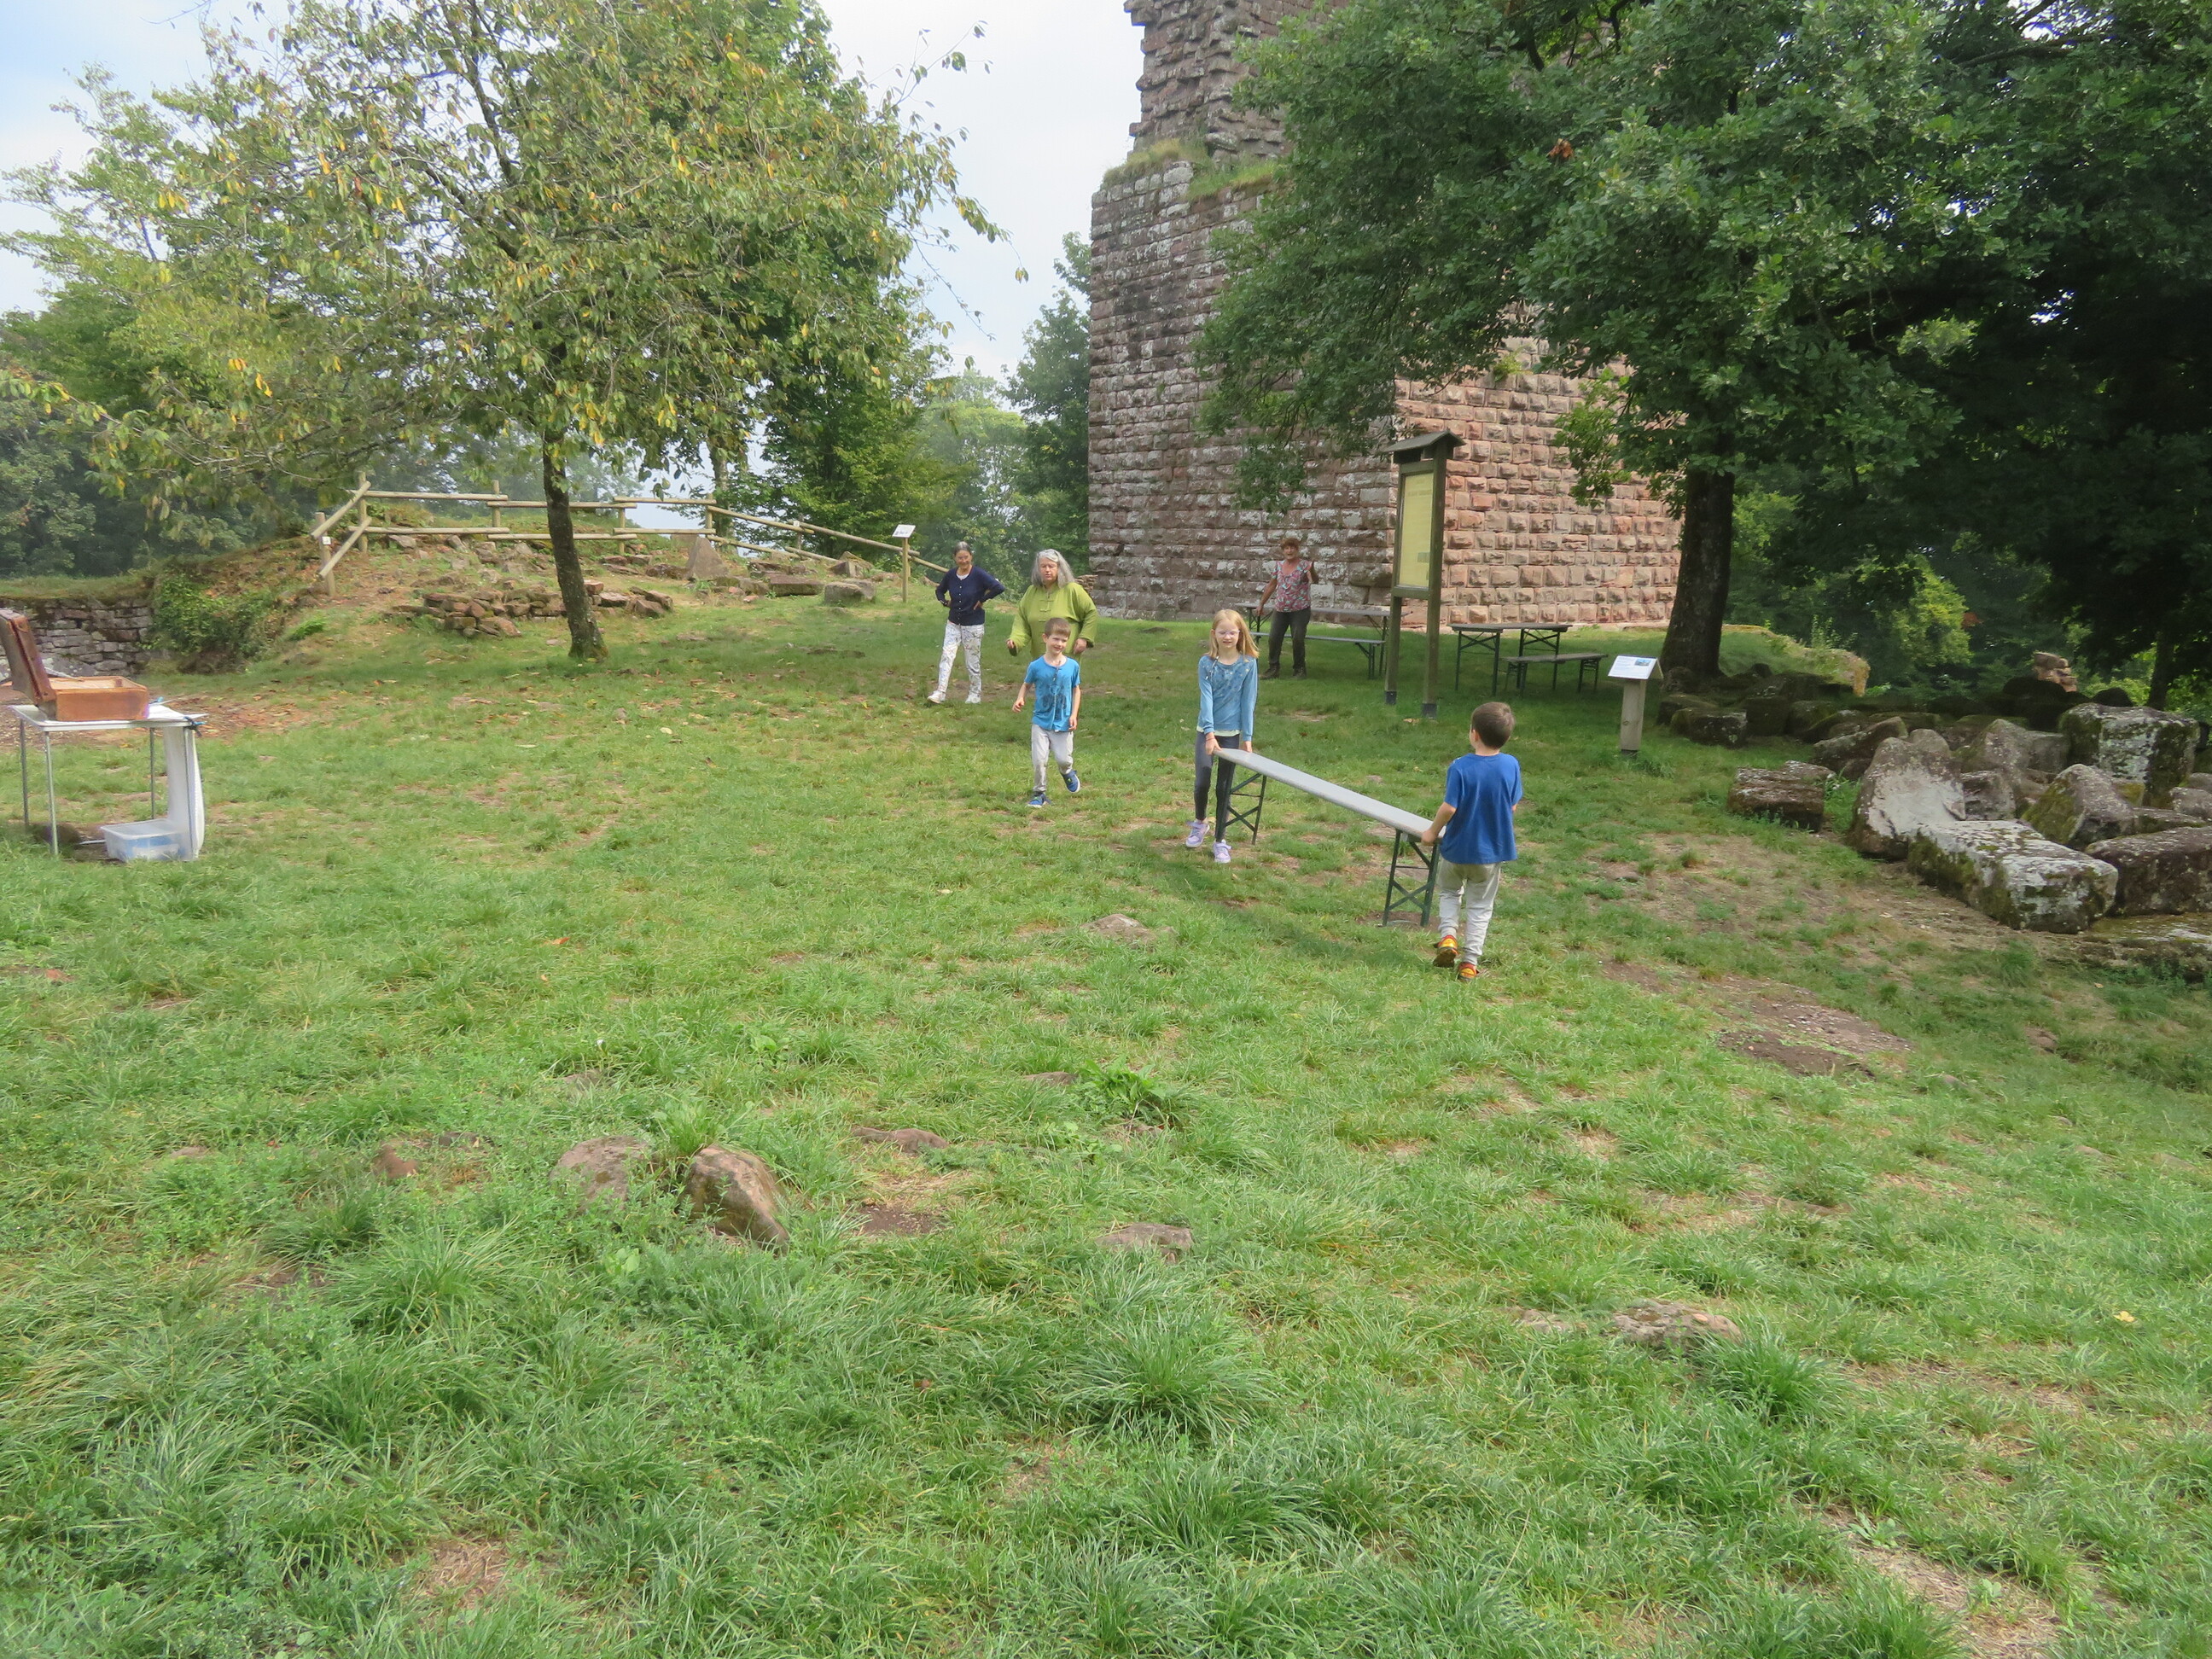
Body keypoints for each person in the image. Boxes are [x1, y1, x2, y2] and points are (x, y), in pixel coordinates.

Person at [1420, 701, 1523, 982]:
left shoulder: (1460, 767)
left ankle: (1448, 937)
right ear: (1507, 737)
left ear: (1474, 734)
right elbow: (1512, 805)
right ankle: (1469, 963)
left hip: (1456, 849)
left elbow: (1449, 808)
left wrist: (1431, 832)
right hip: (1490, 853)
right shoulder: (1511, 765)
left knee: (1449, 893)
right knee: (1480, 907)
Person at [1186, 607, 1260, 864]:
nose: (1227, 637)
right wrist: (1209, 734)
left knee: (1224, 788)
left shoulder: (1248, 664)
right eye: (1222, 632)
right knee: (1202, 782)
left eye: (1232, 632)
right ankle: (1200, 822)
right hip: (1207, 732)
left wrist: (1247, 738)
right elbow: (1206, 699)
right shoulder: (1206, 664)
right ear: (1214, 634)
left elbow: (1248, 702)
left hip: (1232, 735)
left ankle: (1220, 840)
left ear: (1240, 634)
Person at [1012, 616, 1082, 808]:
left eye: (1064, 640)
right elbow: (1026, 685)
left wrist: (1074, 714)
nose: (1059, 644)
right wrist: (1020, 698)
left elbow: (1076, 690)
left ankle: (1067, 772)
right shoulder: (1036, 666)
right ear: (1045, 638)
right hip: (1041, 721)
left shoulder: (1072, 666)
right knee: (1039, 760)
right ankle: (1039, 793)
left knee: (1063, 759)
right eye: (1055, 639)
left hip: (1063, 722)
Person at [928, 541, 1005, 705]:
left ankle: (975, 693)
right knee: (947, 656)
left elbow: (998, 587)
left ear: (971, 556)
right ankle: (940, 692)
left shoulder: (979, 574)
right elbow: (939, 590)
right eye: (960, 558)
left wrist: (983, 599)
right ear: (954, 558)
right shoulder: (951, 575)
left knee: (972, 660)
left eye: (966, 557)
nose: (963, 561)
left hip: (973, 624)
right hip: (953, 623)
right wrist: (945, 602)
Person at [1006, 549, 1097, 661]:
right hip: (1039, 659)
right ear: (1038, 569)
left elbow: (1091, 613)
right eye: (1043, 566)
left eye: (1051, 566)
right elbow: (1022, 621)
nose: (1047, 570)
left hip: (1067, 657)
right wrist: (1015, 641)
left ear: (1059, 568)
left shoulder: (1072, 589)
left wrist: (1084, 638)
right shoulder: (1031, 591)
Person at [1254, 535, 1315, 680]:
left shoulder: (1305, 565)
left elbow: (1314, 580)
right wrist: (1261, 603)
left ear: (1297, 549)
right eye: (1286, 548)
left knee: (1298, 638)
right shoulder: (1279, 566)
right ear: (1283, 551)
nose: (1289, 551)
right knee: (1274, 638)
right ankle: (1273, 669)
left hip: (1300, 610)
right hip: (1281, 610)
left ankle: (1299, 670)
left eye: (1292, 548)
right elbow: (1272, 585)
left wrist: (1312, 571)